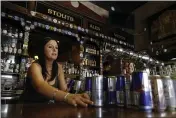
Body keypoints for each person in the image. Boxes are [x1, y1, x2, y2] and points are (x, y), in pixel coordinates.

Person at [21, 37, 93, 107]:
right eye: (50, 47)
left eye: (56, 48)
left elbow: (64, 91)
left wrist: (76, 95)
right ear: (43, 50)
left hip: (47, 109)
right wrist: (67, 96)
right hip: (29, 108)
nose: (54, 50)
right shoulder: (35, 66)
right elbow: (40, 86)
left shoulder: (58, 67)